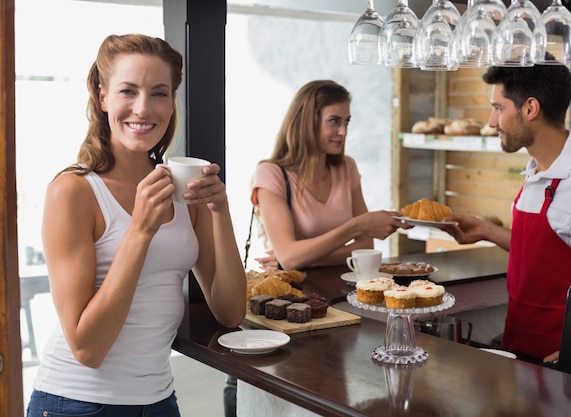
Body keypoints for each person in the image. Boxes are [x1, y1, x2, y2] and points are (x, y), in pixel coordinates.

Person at [26, 34, 246, 417]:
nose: (143, 109)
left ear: (172, 102)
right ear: (103, 97)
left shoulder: (177, 189)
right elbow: (87, 348)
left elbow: (230, 312)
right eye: (128, 91)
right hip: (76, 403)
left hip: (159, 400)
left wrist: (220, 210)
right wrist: (140, 230)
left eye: (159, 93)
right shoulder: (73, 192)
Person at [441, 57, 571, 363]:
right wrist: (487, 231)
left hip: (570, 365)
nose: (491, 121)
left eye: (498, 108)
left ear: (530, 108)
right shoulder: (536, 170)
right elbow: (545, 251)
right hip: (520, 353)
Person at [250, 79, 412, 272]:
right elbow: (290, 258)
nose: (343, 132)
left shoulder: (347, 167)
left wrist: (304, 259)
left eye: (347, 122)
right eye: (334, 121)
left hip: (336, 285)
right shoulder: (271, 174)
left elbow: (365, 248)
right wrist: (356, 226)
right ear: (307, 122)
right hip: (292, 295)